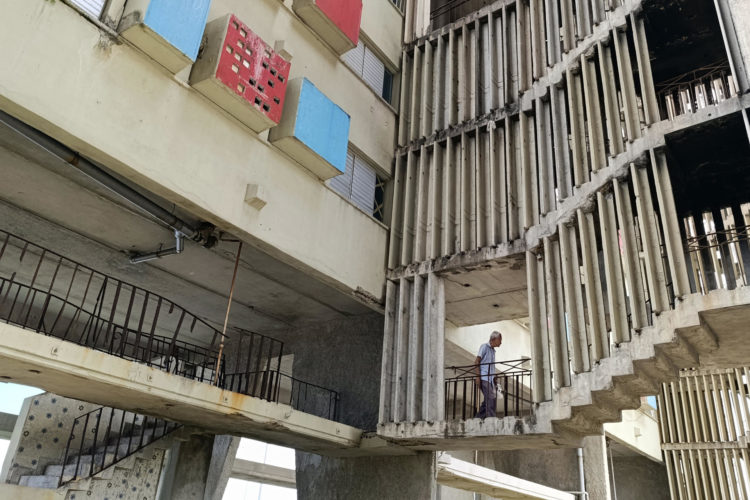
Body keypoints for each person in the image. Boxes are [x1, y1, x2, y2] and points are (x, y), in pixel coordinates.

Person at [474, 331, 502, 418]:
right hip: (484, 378)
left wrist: (494, 378)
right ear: (493, 339)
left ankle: (478, 418)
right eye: (499, 340)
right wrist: (478, 377)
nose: (501, 342)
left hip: (490, 379)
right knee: (490, 398)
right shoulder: (484, 347)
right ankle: (491, 418)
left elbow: (490, 365)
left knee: (490, 399)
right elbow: (476, 361)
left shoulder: (493, 351)